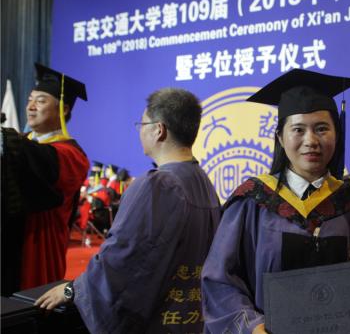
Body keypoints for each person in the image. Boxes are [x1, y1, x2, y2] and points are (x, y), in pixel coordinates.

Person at [201, 69, 350, 334]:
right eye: (298, 130)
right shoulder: (253, 201)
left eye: (322, 129)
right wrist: (252, 327)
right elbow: (220, 279)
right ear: (280, 138)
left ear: (337, 135)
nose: (311, 141)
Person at [36, 88, 222, 334]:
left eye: (142, 124)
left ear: (159, 130)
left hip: (158, 323)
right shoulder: (203, 182)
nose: (140, 131)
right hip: (192, 321)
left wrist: (75, 290)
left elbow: (123, 257)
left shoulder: (158, 185)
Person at [1, 63, 89, 295]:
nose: (30, 107)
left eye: (40, 101)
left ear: (64, 109)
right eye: (30, 100)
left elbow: (42, 161)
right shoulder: (21, 143)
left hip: (35, 251)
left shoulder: (71, 154)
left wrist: (6, 141)